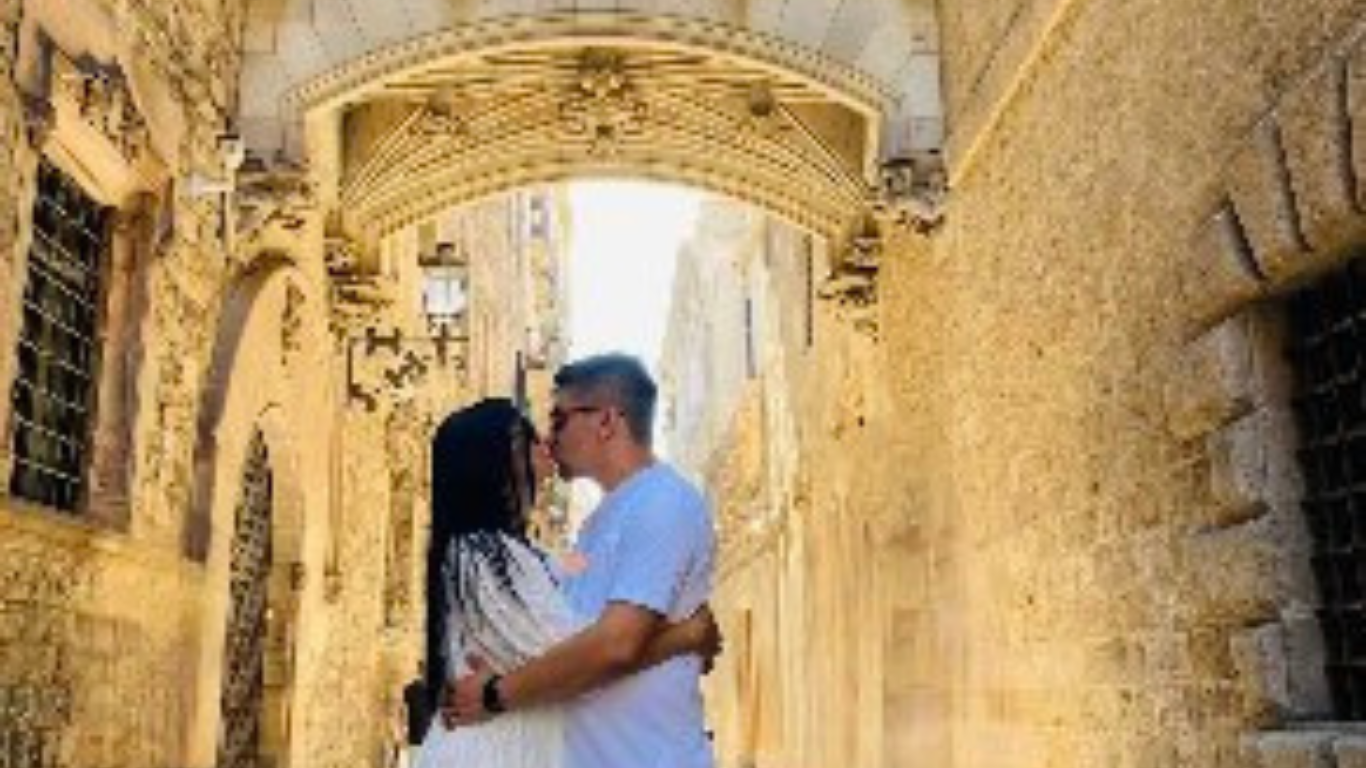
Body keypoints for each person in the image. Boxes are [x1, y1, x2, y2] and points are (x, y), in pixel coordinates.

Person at [446, 354, 719, 768]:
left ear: (607, 422)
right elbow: (570, 645)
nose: (549, 440)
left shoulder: (662, 503)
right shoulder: (600, 523)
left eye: (559, 420)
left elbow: (614, 646)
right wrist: (682, 637)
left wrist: (495, 695)